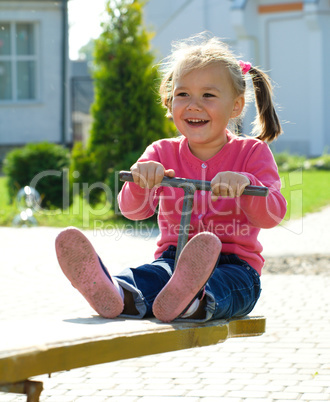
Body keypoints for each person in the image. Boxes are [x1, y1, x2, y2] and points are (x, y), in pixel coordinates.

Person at [56, 33, 287, 323]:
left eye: (208, 95)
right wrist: (141, 181)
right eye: (183, 94)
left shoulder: (252, 152)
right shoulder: (161, 152)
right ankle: (116, 293)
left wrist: (248, 185)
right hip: (173, 259)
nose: (193, 104)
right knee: (151, 276)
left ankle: (193, 302)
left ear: (236, 106)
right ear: (168, 101)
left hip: (236, 266)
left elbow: (273, 214)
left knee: (226, 286)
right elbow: (132, 210)